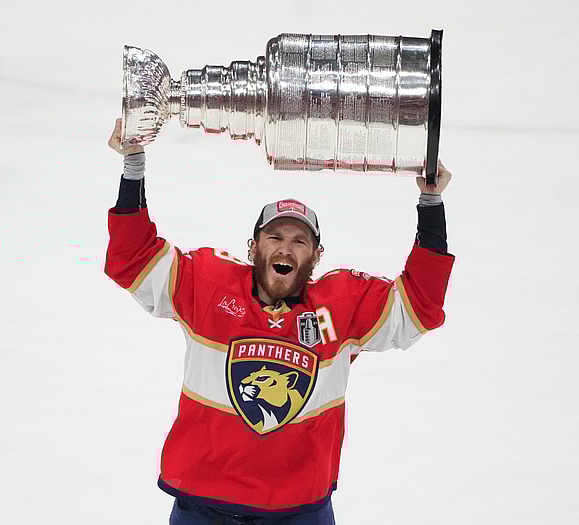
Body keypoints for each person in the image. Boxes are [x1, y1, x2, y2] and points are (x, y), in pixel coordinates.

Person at [105, 118, 455, 524]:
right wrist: (133, 165)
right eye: (274, 237)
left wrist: (431, 204)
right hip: (204, 504)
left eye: (298, 240)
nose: (285, 247)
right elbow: (133, 260)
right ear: (253, 246)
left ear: (316, 256)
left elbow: (419, 306)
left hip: (298, 509)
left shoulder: (342, 305)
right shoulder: (208, 285)